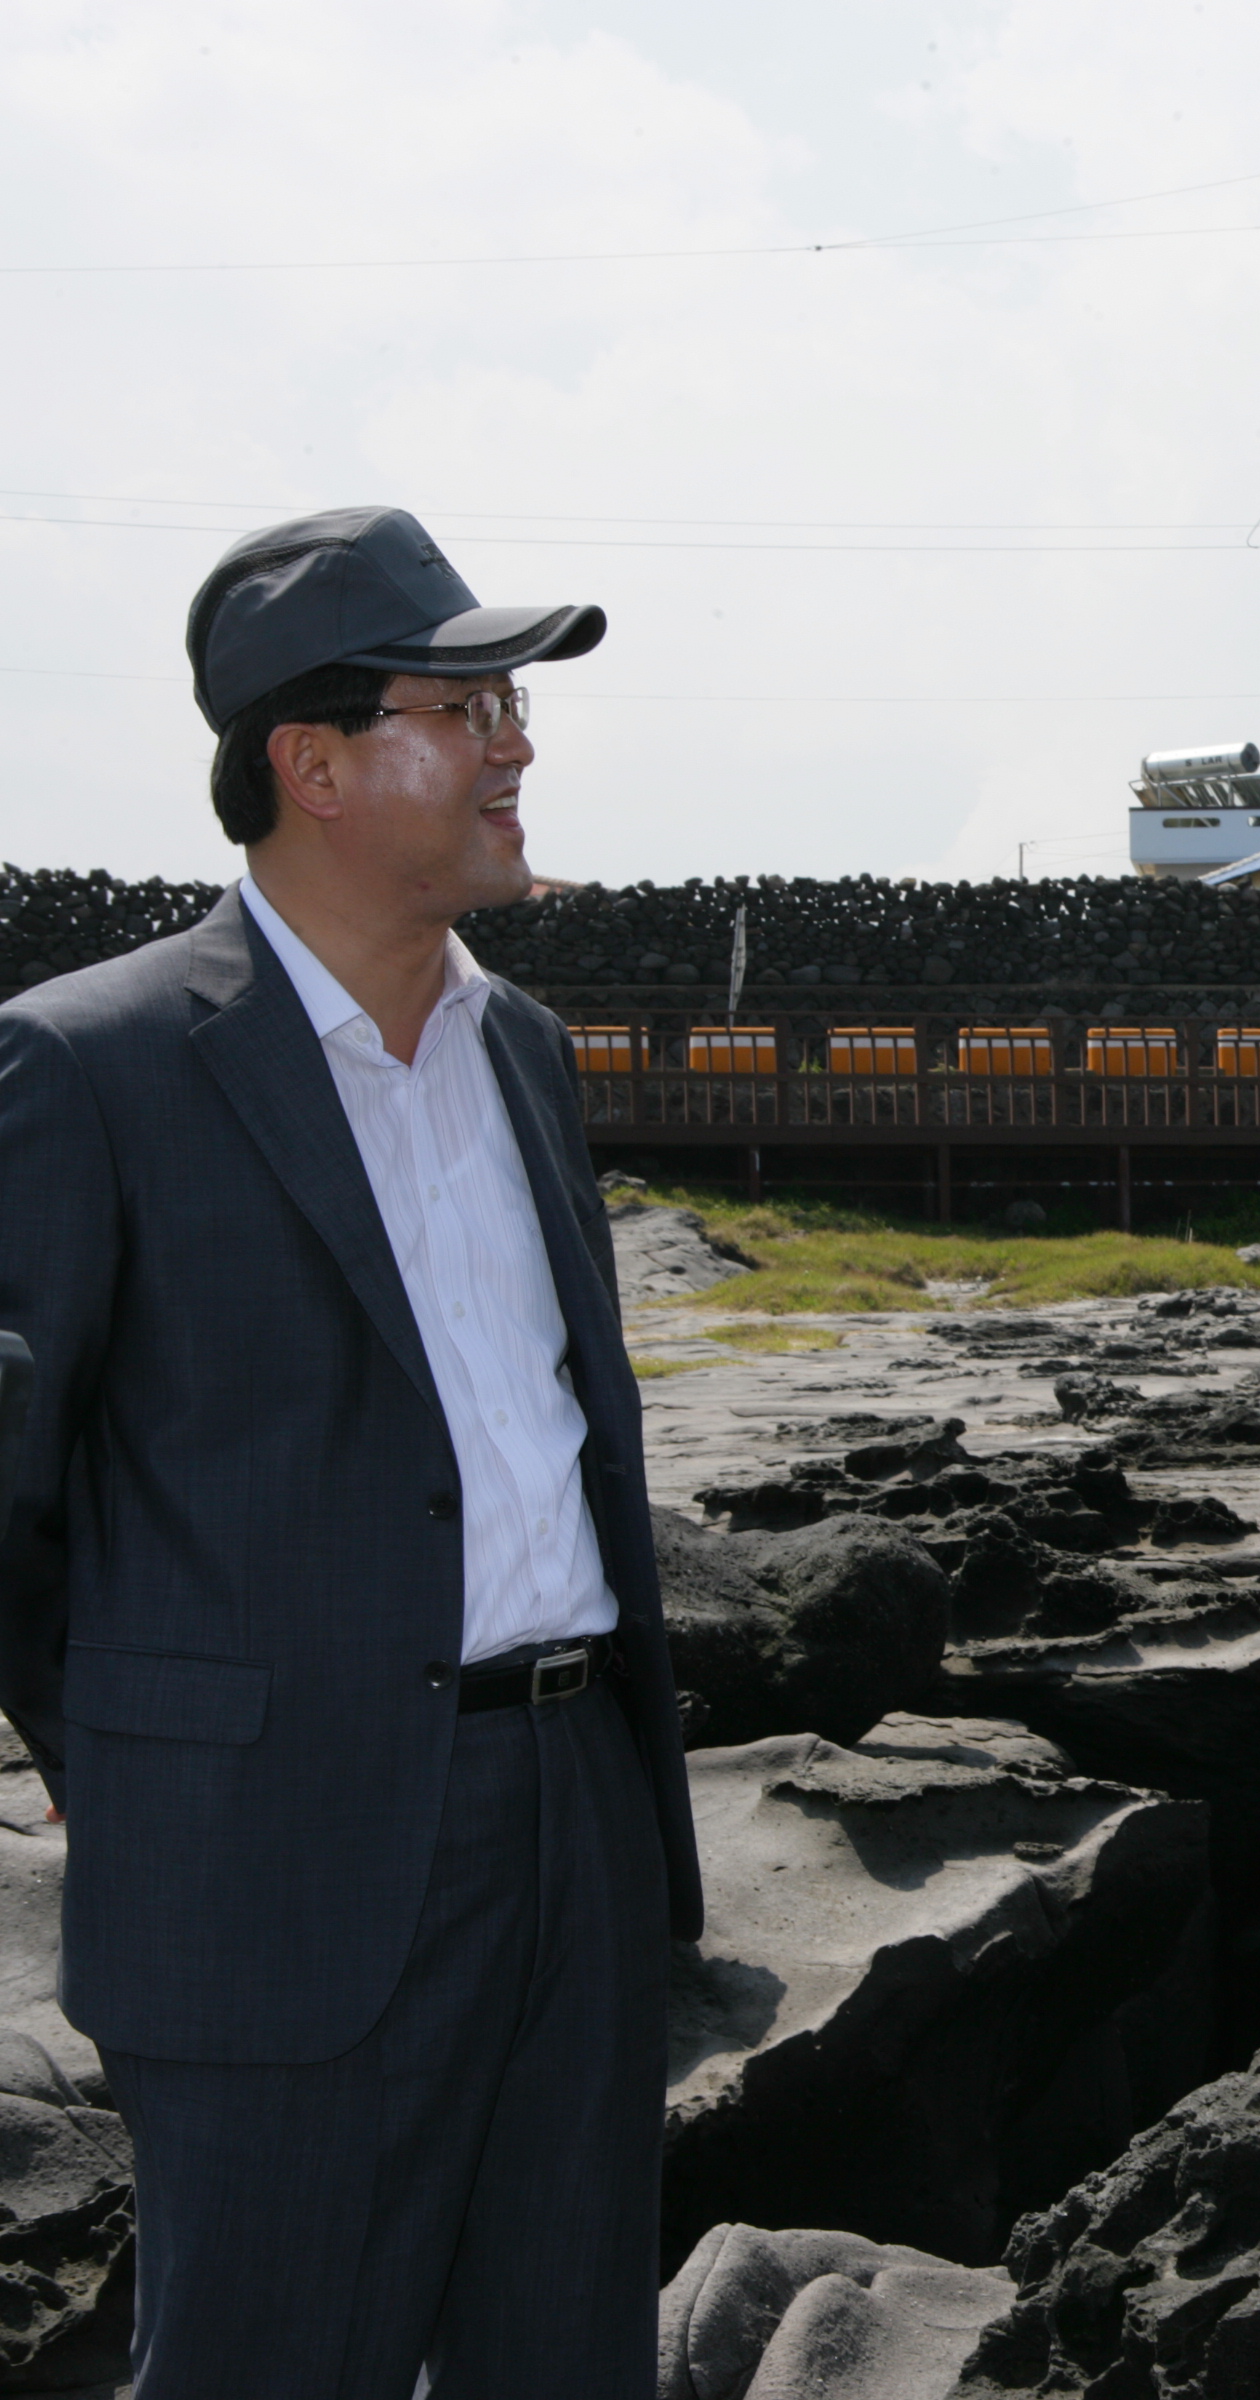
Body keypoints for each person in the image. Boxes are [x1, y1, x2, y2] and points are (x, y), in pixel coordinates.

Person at [0, 507, 703, 2394]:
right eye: (465, 704)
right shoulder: (92, 1067)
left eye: (515, 706)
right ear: (309, 766)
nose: (518, 745)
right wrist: (146, 1756)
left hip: (576, 1820)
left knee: (562, 2359)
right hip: (270, 1860)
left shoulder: (527, 1052)